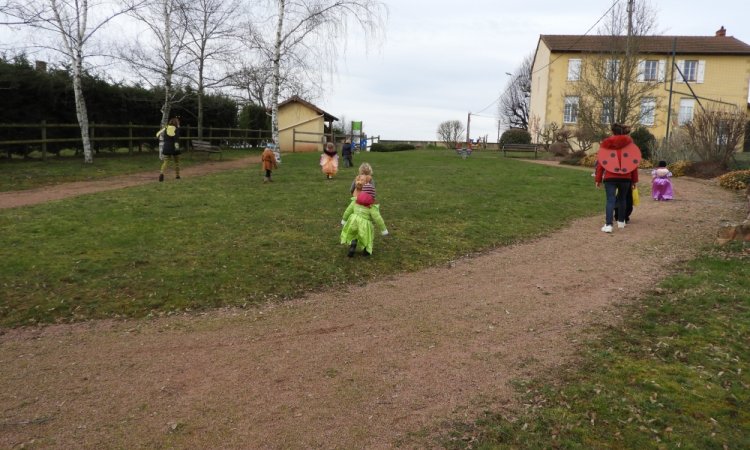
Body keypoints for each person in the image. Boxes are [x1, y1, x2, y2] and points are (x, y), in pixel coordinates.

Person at [595, 123, 640, 233]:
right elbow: (634, 164)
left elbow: (601, 164)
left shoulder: (606, 145)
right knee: (622, 199)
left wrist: (598, 179)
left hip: (610, 177)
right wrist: (634, 180)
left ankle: (609, 225)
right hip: (626, 178)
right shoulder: (630, 146)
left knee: (610, 200)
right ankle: (621, 222)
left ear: (612, 131)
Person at [340, 181, 388, 257]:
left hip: (353, 221)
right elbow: (378, 218)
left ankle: (353, 245)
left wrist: (344, 220)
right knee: (366, 236)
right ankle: (366, 250)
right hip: (365, 224)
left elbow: (348, 210)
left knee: (354, 234)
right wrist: (383, 229)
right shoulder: (372, 206)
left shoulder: (355, 200)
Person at [156, 117, 181, 182]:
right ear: (176, 123)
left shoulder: (166, 128)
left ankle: (161, 174)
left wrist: (163, 141)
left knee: (166, 162)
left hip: (166, 147)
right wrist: (177, 149)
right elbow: (176, 140)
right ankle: (177, 176)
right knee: (177, 162)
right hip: (174, 148)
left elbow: (157, 134)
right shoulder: (176, 129)